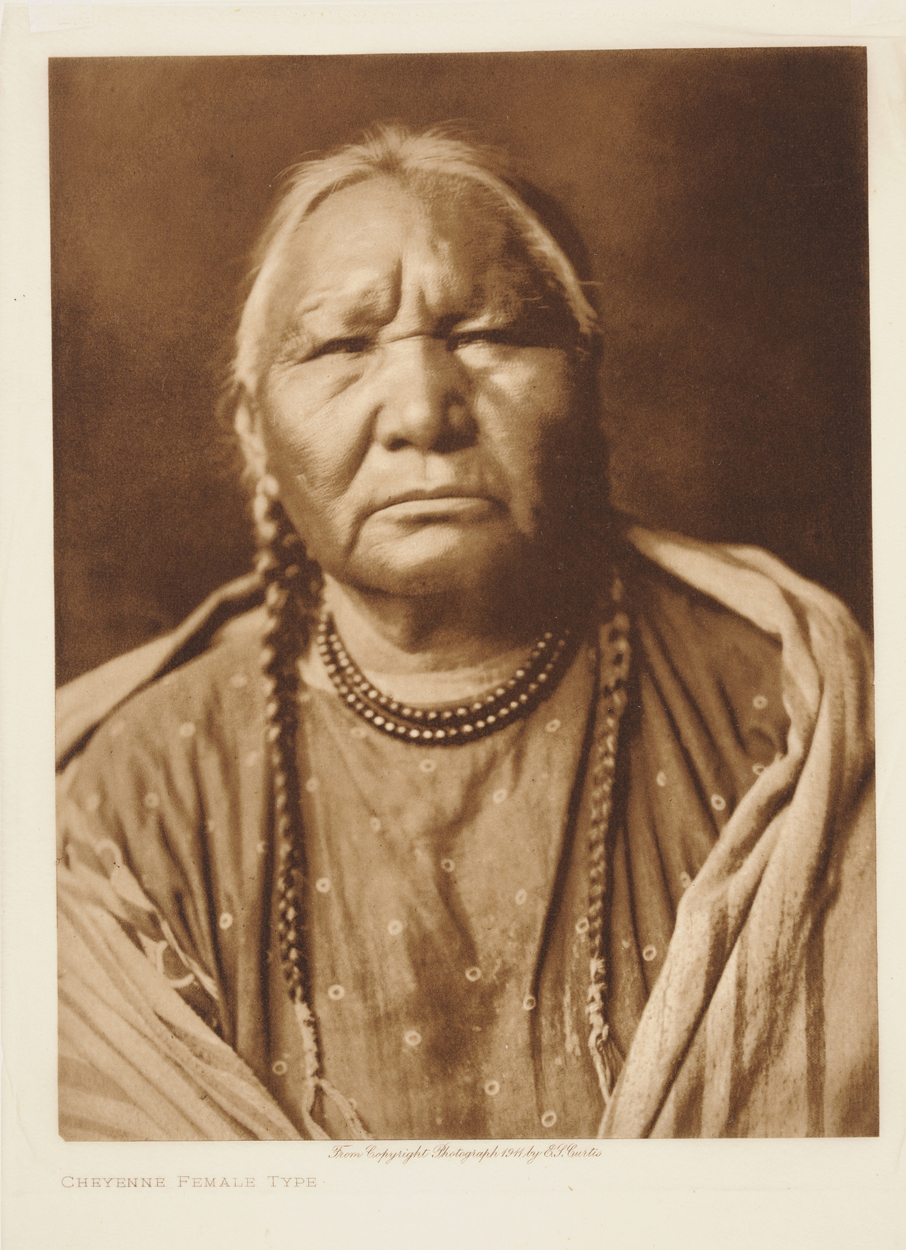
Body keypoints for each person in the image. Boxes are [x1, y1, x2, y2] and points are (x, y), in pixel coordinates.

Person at [56, 124, 877, 1141]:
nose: (421, 408)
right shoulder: (125, 804)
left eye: (488, 334)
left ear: (587, 382)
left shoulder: (791, 726)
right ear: (254, 438)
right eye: (343, 346)